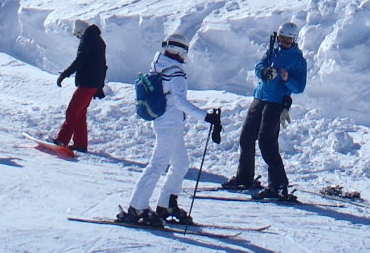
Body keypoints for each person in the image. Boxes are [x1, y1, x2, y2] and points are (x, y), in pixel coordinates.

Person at [117, 33, 223, 229]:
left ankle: (166, 204)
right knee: (157, 165)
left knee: (181, 164)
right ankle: (137, 207)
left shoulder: (161, 67)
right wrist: (207, 116)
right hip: (170, 125)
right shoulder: (176, 73)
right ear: (181, 51)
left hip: (166, 123)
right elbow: (180, 103)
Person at [222, 20, 308, 201]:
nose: (284, 43)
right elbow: (259, 67)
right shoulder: (272, 51)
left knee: (266, 142)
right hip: (260, 97)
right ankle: (244, 177)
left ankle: (278, 185)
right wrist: (264, 72)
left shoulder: (298, 59)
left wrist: (286, 79)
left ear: (294, 41)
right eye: (282, 39)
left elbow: (300, 86)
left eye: (288, 41)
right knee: (246, 137)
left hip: (276, 102)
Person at [52, 19, 107, 151]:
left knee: (72, 111)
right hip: (93, 82)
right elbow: (102, 65)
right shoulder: (98, 40)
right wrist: (99, 85)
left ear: (80, 31)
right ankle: (80, 144)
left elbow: (80, 60)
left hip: (87, 82)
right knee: (80, 113)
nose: (78, 38)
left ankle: (62, 140)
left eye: (77, 35)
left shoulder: (88, 39)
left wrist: (65, 74)